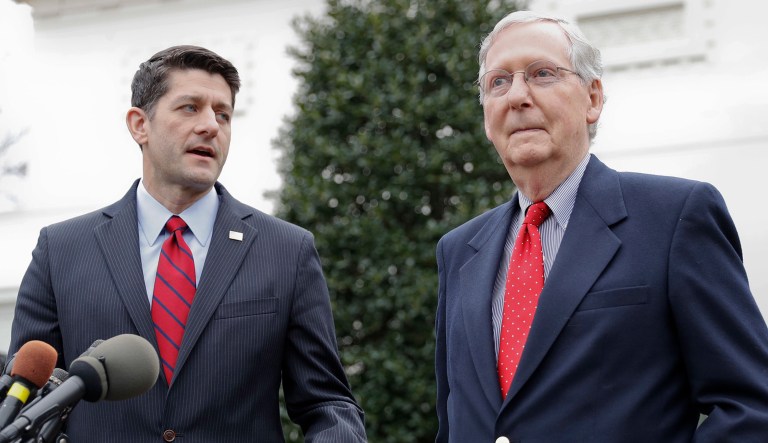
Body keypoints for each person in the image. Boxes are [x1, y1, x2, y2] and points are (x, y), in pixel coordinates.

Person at [434, 10, 768, 443]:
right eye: (498, 82)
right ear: (486, 116)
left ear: (592, 98)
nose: (516, 96)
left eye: (542, 73)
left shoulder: (674, 218)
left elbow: (751, 408)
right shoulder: (458, 250)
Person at [9, 45, 366, 442]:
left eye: (223, 114)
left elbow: (327, 405)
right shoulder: (61, 250)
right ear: (140, 125)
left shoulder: (286, 250)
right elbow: (25, 398)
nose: (211, 126)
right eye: (190, 108)